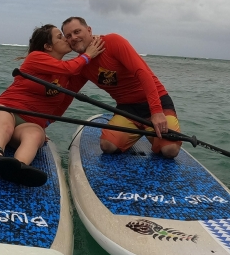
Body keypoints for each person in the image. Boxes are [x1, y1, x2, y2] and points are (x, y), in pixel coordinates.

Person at [0, 24, 104, 186]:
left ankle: (17, 167)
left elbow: (64, 102)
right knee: (5, 124)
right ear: (48, 46)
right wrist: (88, 55)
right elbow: (69, 67)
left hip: (28, 123)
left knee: (35, 135)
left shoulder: (68, 75)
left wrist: (45, 123)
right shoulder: (36, 57)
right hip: (3, 111)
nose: (66, 39)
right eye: (60, 37)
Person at [61, 16, 181, 158]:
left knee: (170, 151)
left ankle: (152, 134)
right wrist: (46, 123)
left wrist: (156, 111)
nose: (73, 37)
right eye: (68, 36)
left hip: (156, 101)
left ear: (89, 30)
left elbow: (143, 73)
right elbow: (68, 95)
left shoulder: (113, 42)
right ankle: (140, 132)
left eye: (77, 31)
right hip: (127, 109)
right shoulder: (81, 64)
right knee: (108, 146)